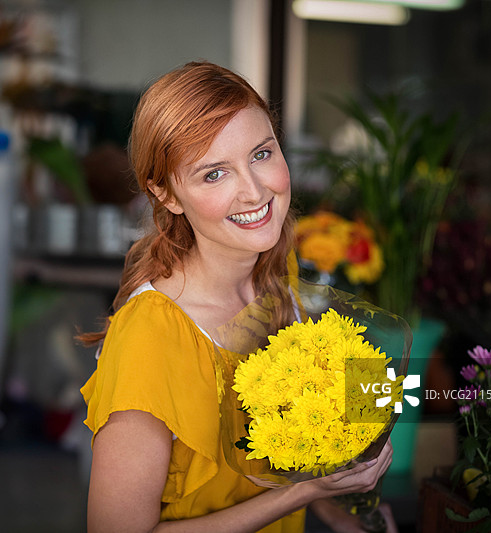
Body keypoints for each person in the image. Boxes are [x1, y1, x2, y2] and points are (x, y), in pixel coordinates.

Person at [79, 61, 395, 533]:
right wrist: (304, 492)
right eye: (214, 174)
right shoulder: (151, 337)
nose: (253, 191)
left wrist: (339, 508)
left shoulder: (277, 275)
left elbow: (277, 461)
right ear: (166, 194)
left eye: (261, 154)